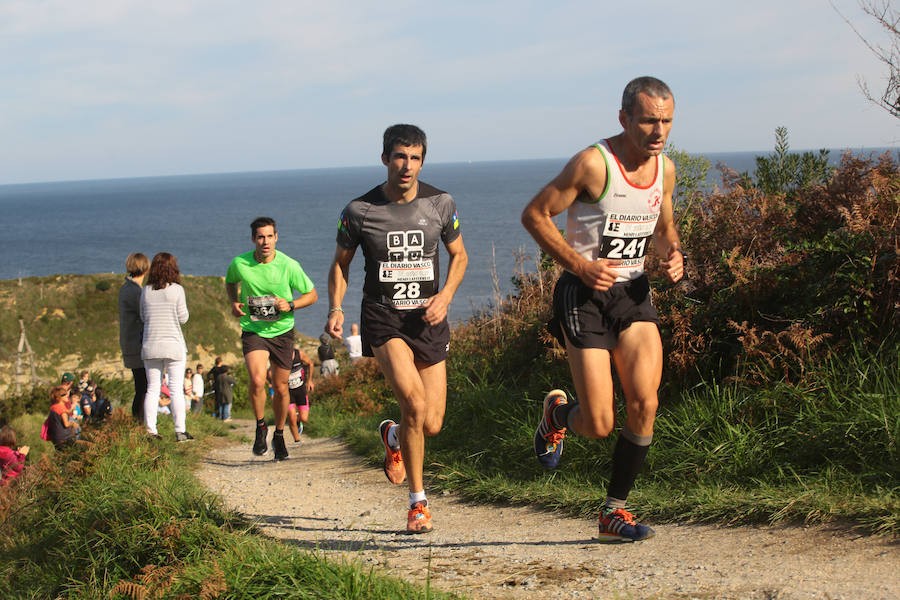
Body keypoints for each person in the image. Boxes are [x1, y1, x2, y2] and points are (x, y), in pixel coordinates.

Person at [521, 76, 685, 543]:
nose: (659, 131)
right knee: (598, 423)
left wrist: (674, 253)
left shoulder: (664, 170)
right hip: (584, 295)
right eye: (649, 120)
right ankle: (557, 416)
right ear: (624, 119)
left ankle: (614, 512)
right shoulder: (594, 164)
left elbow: (665, 228)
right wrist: (579, 264)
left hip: (633, 294)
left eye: (667, 121)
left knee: (645, 402)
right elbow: (534, 214)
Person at [325, 124, 468, 533]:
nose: (407, 166)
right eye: (400, 157)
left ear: (423, 160)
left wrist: (445, 296)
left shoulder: (441, 203)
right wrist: (336, 306)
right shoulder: (359, 211)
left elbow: (459, 257)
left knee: (433, 422)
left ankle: (393, 437)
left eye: (415, 157)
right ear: (385, 158)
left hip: (428, 319)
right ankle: (418, 502)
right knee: (414, 405)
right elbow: (341, 262)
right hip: (383, 318)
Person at [225, 216, 318, 460]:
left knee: (280, 386)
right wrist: (233, 302)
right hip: (254, 330)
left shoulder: (289, 265)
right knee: (257, 380)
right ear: (253, 239)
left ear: (276, 237)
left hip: (282, 333)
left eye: (269, 236)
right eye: (260, 237)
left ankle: (278, 434)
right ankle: (260, 427)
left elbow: (312, 294)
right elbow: (230, 281)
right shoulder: (240, 263)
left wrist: (291, 304)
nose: (265, 242)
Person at [141, 252, 194, 443]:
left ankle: (151, 430)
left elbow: (142, 316)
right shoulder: (177, 290)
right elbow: (183, 318)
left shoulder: (146, 291)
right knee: (175, 389)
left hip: (151, 344)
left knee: (153, 389)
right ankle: (180, 431)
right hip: (173, 345)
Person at [119, 252, 150, 423]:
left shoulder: (128, 288)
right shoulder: (134, 292)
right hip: (136, 345)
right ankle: (140, 423)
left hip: (131, 344)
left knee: (142, 387)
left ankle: (140, 423)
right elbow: (145, 314)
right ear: (145, 268)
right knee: (143, 387)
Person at [286, 345, 315, 442]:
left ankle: (298, 421)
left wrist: (310, 381)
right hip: (288, 392)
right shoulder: (281, 357)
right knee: (291, 416)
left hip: (300, 390)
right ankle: (297, 440)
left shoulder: (299, 354)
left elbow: (311, 363)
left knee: (304, 418)